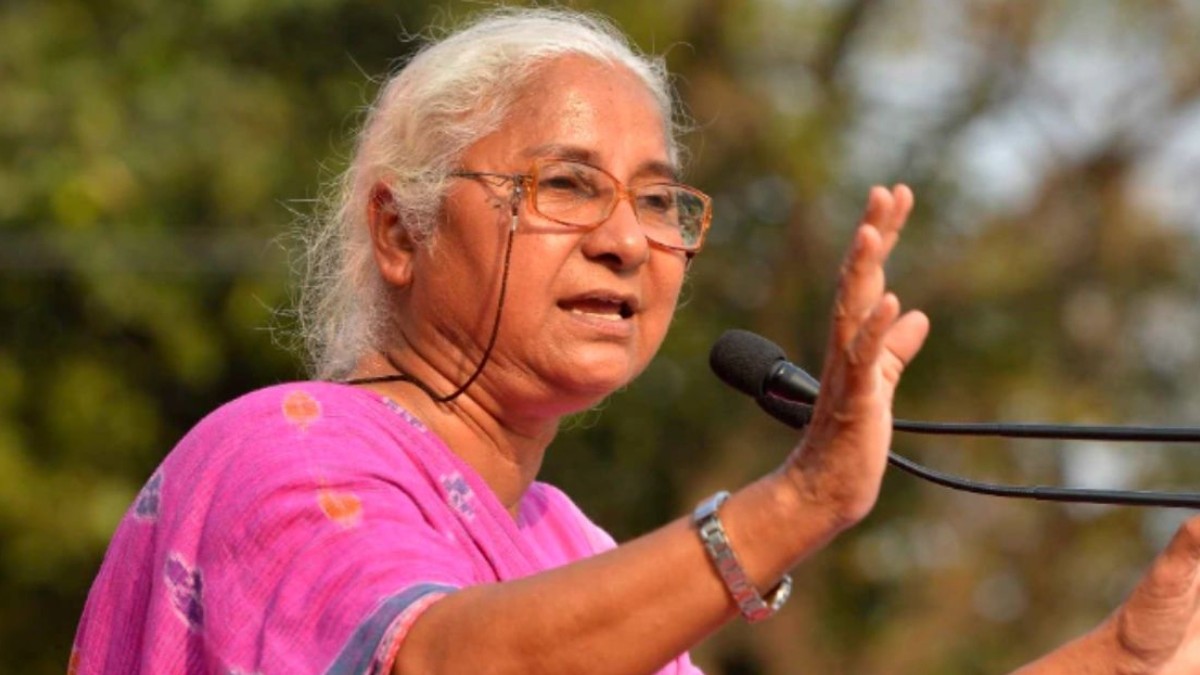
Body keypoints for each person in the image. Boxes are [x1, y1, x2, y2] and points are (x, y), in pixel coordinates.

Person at [72, 8, 1200, 674]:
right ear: (399, 230)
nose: (626, 241)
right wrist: (799, 500)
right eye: (566, 185)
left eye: (660, 202)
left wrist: (1126, 656)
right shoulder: (274, 451)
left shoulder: (569, 543)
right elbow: (441, 662)